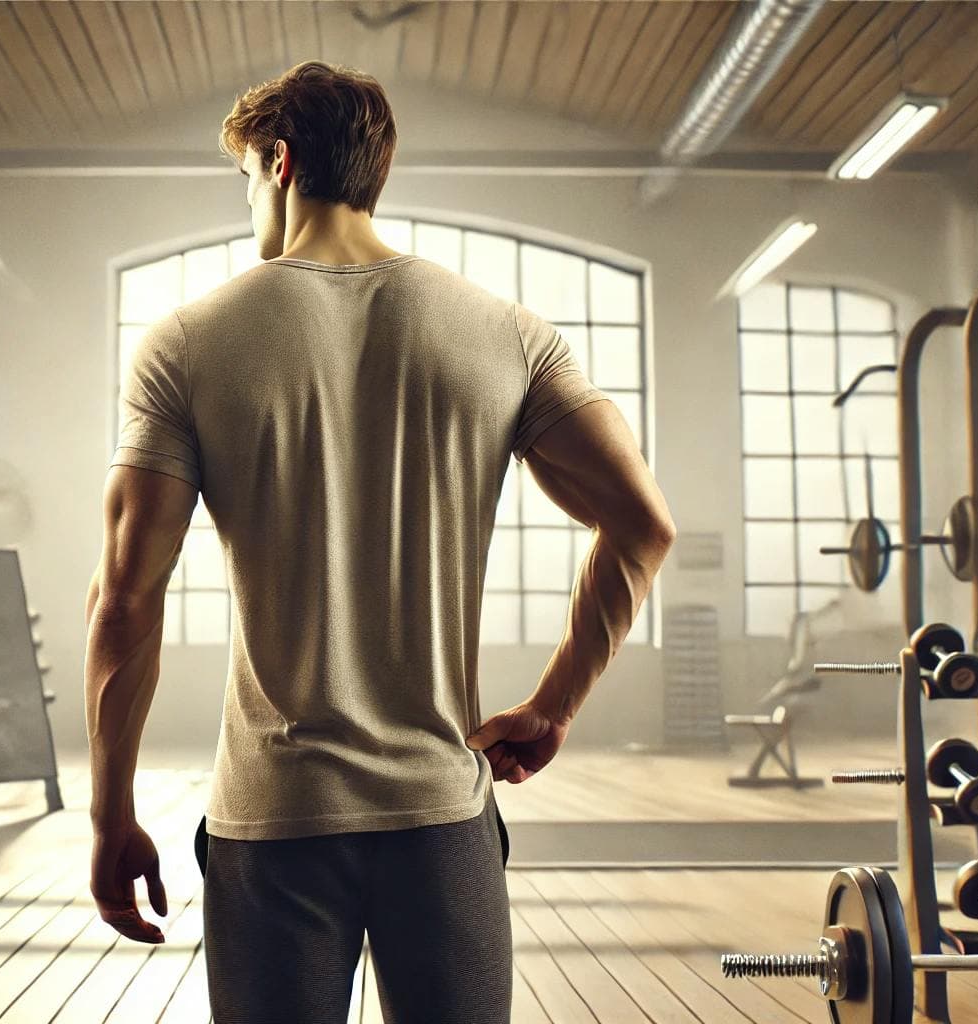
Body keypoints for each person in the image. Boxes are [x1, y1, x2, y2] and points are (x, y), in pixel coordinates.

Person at [83, 60, 674, 1023]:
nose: (249, 207)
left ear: (278, 162)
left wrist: (111, 817)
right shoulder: (507, 333)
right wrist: (555, 704)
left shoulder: (187, 343)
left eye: (245, 183)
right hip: (441, 815)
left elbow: (124, 600)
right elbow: (643, 524)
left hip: (274, 823)